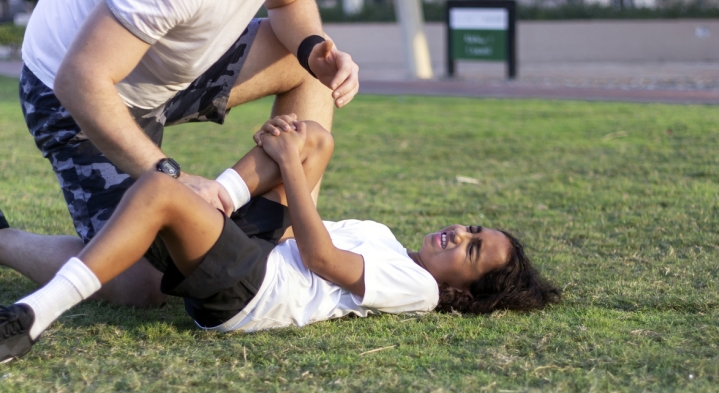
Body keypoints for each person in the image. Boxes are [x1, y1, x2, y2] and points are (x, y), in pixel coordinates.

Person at [0, 116, 560, 363]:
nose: (459, 233)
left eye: (470, 249)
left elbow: (318, 257)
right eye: (472, 228)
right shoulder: (390, 241)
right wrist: (295, 154)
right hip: (265, 255)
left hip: (250, 291)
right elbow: (304, 235)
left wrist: (288, 166)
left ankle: (30, 318)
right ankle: (217, 197)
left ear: (462, 293)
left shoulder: (419, 288)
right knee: (317, 138)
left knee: (158, 191)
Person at [7, 0, 359, 308]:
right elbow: (79, 79)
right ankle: (4, 241)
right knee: (146, 285)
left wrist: (313, 48)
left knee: (311, 68)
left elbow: (287, 5)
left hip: (164, 72)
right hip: (73, 92)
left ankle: (288, 244)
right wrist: (173, 176)